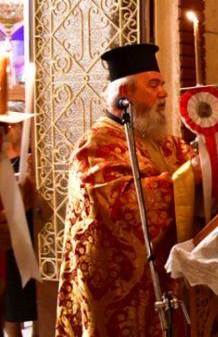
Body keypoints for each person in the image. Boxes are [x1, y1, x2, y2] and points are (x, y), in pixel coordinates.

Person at [56, 43, 204, 336]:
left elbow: (196, 165)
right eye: (153, 85)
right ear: (125, 95)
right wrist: (189, 177)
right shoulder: (96, 146)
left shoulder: (163, 141)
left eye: (162, 84)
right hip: (119, 290)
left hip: (163, 281)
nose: (163, 93)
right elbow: (117, 205)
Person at [2, 101, 37, 337]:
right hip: (7, 243)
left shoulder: (34, 160)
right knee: (10, 307)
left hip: (31, 237)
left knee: (31, 304)